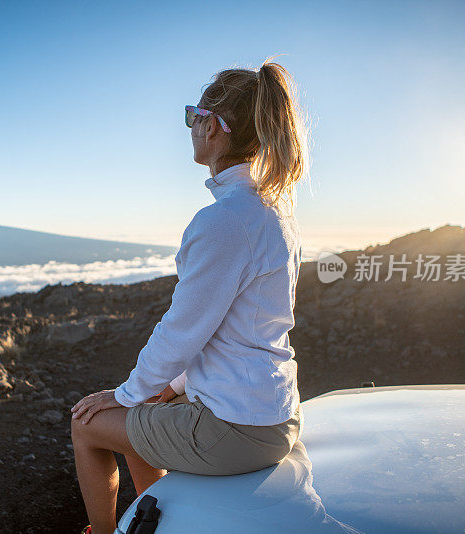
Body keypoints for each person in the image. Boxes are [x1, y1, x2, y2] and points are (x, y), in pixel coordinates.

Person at [70, 56, 310, 534]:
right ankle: (155, 518)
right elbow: (233, 327)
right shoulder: (273, 211)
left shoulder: (223, 221)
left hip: (236, 431)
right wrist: (170, 388)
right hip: (273, 412)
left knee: (86, 424)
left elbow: (182, 331)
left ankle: (101, 533)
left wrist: (125, 394)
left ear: (215, 128)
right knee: (147, 410)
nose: (190, 127)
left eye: (193, 116)